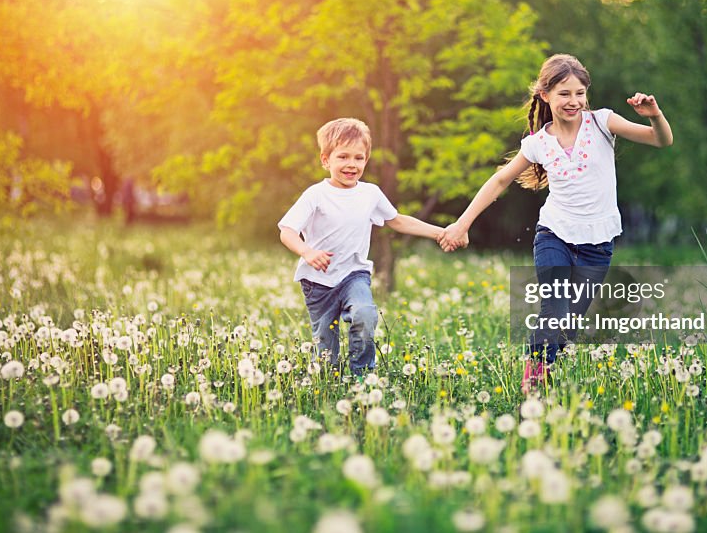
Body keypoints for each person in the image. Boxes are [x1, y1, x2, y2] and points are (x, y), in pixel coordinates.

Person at [439, 54, 673, 392]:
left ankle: (545, 373)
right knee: (555, 308)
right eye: (564, 93)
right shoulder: (538, 143)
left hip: (598, 244)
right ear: (545, 94)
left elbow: (661, 140)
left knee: (569, 325)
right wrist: (462, 224)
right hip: (554, 235)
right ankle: (532, 382)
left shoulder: (603, 122)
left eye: (580, 93)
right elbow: (500, 181)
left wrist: (656, 116)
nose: (574, 101)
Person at [280, 117, 448, 377]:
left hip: (354, 275)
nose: (351, 164)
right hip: (318, 282)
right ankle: (329, 382)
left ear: (366, 161)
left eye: (359, 158)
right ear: (326, 160)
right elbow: (287, 231)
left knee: (365, 314)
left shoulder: (370, 194)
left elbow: (398, 220)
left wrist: (440, 233)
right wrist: (308, 252)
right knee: (326, 351)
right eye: (343, 157)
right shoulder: (315, 195)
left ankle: (362, 376)